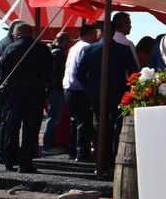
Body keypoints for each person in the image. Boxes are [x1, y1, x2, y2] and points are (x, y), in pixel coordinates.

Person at [79, 28, 139, 178]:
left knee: (99, 126)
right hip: (116, 94)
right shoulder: (123, 49)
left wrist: (90, 88)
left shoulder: (89, 49)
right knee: (114, 127)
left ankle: (100, 160)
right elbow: (133, 72)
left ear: (100, 33)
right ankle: (111, 159)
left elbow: (79, 73)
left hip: (97, 94)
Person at [0, 23, 53, 173]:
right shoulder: (42, 49)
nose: (13, 35)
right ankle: (25, 163)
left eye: (14, 33)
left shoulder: (10, 48)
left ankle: (9, 160)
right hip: (35, 92)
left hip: (14, 93)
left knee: (11, 127)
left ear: (18, 33)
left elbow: (3, 72)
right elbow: (50, 72)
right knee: (31, 129)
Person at [63, 24, 99, 162]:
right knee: (84, 122)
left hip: (69, 87)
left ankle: (73, 150)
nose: (96, 36)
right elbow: (82, 71)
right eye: (94, 33)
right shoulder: (86, 47)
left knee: (75, 121)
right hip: (79, 89)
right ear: (89, 34)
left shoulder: (74, 47)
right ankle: (82, 152)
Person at [0, 20, 24, 162]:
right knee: (5, 121)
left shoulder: (3, 43)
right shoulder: (9, 45)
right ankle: (2, 151)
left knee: (0, 120)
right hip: (4, 87)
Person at [42, 31, 71, 154]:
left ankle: (49, 144)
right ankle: (48, 145)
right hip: (56, 90)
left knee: (52, 118)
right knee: (54, 119)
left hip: (50, 89)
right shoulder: (58, 54)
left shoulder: (49, 51)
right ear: (64, 42)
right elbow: (58, 74)